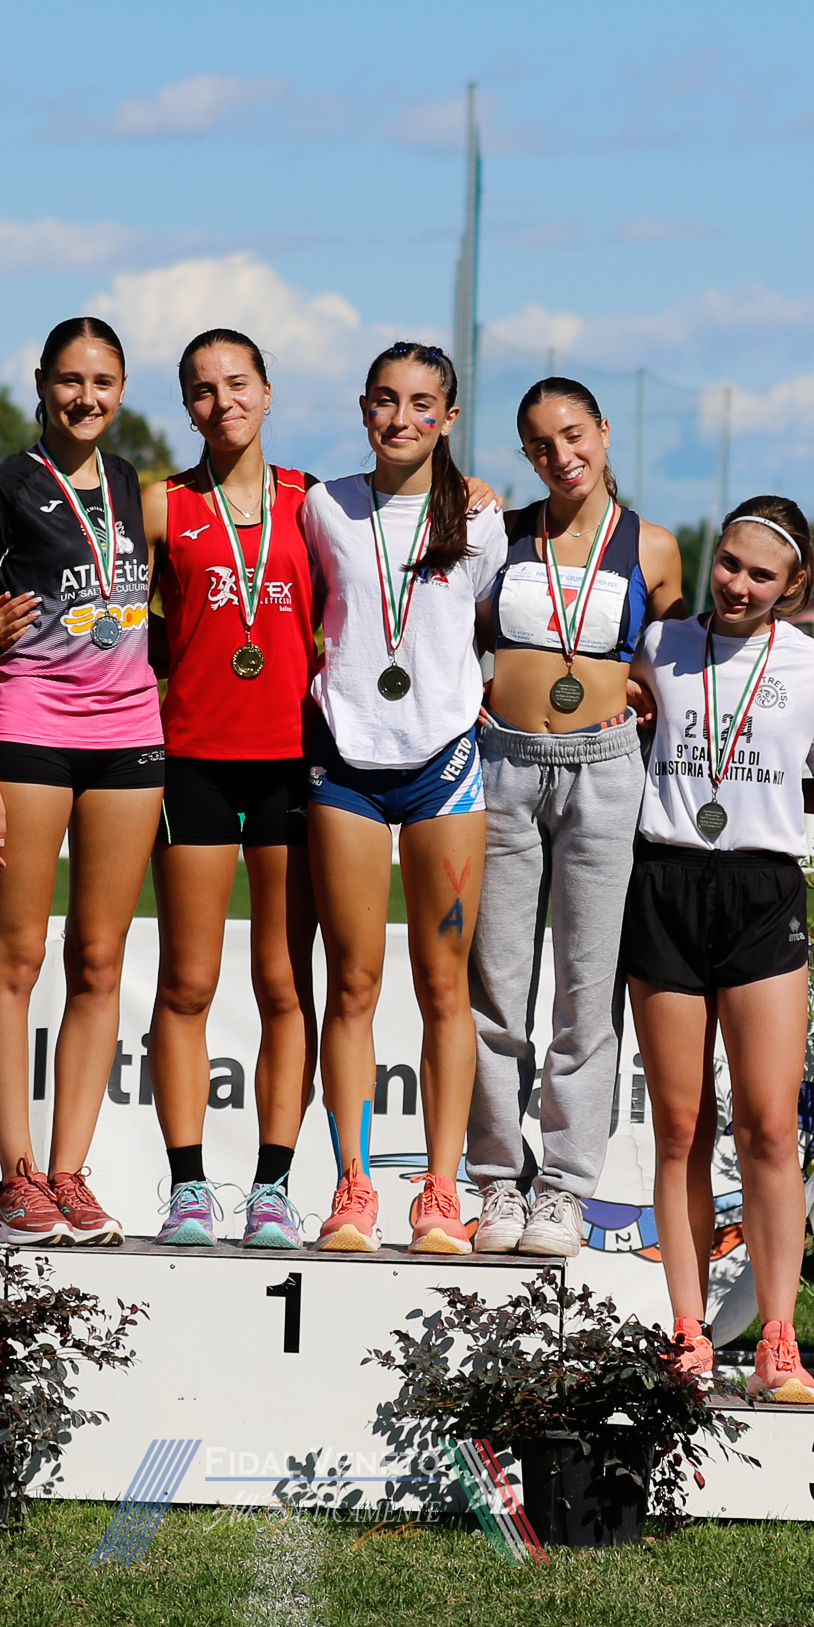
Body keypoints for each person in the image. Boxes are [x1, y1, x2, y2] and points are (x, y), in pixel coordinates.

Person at [626, 497, 814, 1400]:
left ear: (793, 585)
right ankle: (687, 1331)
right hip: (667, 883)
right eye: (729, 563)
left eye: (763, 575)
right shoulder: (661, 645)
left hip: (763, 891)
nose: (740, 585)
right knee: (681, 1126)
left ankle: (778, 1338)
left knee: (767, 1126)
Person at [0, 317, 165, 1246]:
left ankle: (70, 1172)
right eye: (71, 381)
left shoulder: (132, 486)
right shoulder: (1, 488)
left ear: (122, 389)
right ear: (41, 383)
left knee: (100, 959)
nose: (87, 398)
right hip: (31, 730)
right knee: (17, 958)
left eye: (104, 382)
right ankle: (17, 1176)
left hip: (130, 738)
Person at [467, 377, 685, 1258]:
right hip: (504, 765)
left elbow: (679, 661)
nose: (562, 456)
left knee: (587, 991)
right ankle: (496, 1179)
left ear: (603, 431)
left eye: (573, 435)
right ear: (526, 455)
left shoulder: (653, 546)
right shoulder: (501, 533)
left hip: (604, 771)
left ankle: (564, 1188)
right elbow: (453, 628)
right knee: (496, 985)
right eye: (540, 445)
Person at [301, 342, 500, 1255]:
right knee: (353, 981)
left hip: (443, 765)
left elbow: (501, 628)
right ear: (363, 407)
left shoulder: (482, 519)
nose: (402, 419)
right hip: (345, 760)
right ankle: (352, 1187)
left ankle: (441, 1191)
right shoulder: (323, 506)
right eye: (385, 400)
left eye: (423, 404)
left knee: (443, 985)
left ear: (449, 418)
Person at [142, 329, 321, 1249]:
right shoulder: (162, 505)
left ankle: (274, 1190)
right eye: (204, 390)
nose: (224, 403)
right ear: (187, 407)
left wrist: (472, 488)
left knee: (283, 982)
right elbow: (103, 609)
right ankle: (187, 1189)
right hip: (195, 760)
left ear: (267, 391)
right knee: (188, 981)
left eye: (239, 383)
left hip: (292, 760)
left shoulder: (316, 502)